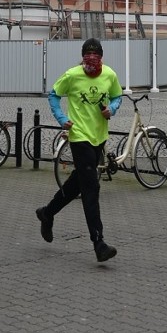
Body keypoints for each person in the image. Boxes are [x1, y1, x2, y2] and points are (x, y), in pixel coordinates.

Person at [35, 37, 122, 263]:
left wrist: (111, 109)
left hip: (99, 136)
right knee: (91, 187)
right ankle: (99, 242)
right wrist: (62, 118)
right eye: (87, 54)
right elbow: (53, 95)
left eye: (96, 54)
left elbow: (117, 96)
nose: (91, 58)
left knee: (77, 184)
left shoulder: (109, 75)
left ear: (101, 57)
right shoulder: (72, 75)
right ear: (82, 56)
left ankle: (47, 213)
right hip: (79, 136)